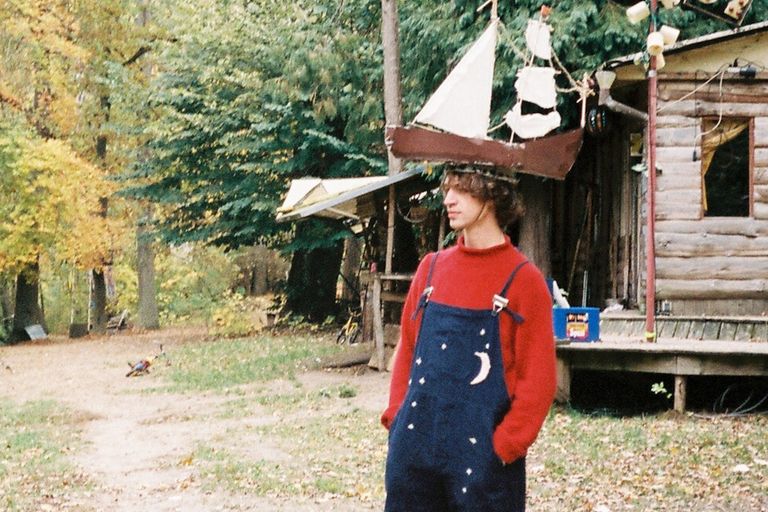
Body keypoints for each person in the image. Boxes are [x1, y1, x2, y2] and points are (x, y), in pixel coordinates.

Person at [381, 166, 557, 512]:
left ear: (492, 195)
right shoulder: (431, 269)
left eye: (462, 190)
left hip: (483, 465)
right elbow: (407, 352)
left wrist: (505, 446)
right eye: (448, 189)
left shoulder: (524, 281)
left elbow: (538, 381)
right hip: (413, 456)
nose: (448, 199)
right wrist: (395, 419)